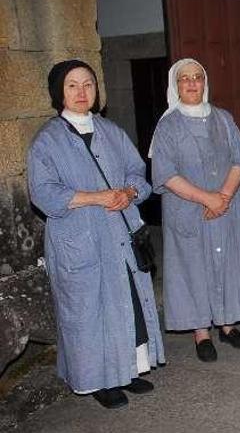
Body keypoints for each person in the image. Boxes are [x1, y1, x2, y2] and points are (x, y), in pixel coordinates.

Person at [28, 60, 165, 409]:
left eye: (87, 84)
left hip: (119, 234)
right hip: (81, 240)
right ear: (59, 92)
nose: (81, 92)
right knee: (89, 311)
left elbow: (138, 173)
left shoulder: (111, 131)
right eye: (72, 85)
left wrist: (129, 193)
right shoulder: (47, 141)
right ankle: (101, 381)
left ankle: (130, 370)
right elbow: (42, 193)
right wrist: (96, 197)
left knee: (127, 304)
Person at [150, 58, 240, 362]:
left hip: (227, 208)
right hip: (188, 210)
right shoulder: (167, 126)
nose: (191, 83)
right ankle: (201, 332)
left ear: (205, 82)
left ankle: (227, 324)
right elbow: (165, 174)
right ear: (175, 85)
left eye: (197, 77)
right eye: (184, 79)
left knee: (228, 263)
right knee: (193, 267)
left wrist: (223, 196)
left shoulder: (223, 119)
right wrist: (206, 199)